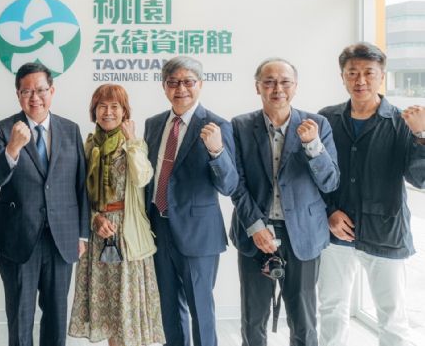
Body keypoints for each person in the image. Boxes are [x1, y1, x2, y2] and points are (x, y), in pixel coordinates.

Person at [317, 43, 425, 346]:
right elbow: (312, 175)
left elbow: (420, 178)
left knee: (392, 318)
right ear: (342, 76)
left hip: (385, 231)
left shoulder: (402, 122)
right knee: (331, 309)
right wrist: (329, 211)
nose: (360, 80)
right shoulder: (327, 119)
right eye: (352, 73)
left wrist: (421, 135)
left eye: (369, 73)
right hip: (336, 234)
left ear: (382, 76)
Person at [230, 57, 339, 346]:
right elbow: (236, 184)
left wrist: (313, 145)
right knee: (253, 319)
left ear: (296, 86)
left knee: (303, 320)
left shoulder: (318, 125)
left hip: (303, 233)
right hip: (255, 232)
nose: (277, 88)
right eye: (269, 82)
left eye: (285, 82)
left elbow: (330, 182)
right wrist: (256, 227)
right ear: (258, 87)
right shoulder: (240, 126)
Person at [0, 62, 89, 346]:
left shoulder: (70, 129)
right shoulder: (3, 129)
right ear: (18, 95)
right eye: (26, 91)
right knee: (20, 317)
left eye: (41, 90)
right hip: (19, 238)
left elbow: (80, 185)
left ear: (52, 91)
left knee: (56, 316)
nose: (35, 97)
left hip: (61, 239)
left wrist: (82, 234)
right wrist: (13, 148)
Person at [144, 56, 238, 346]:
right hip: (158, 228)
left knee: (201, 308)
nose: (180, 89)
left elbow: (229, 185)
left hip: (198, 233)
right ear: (164, 86)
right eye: (173, 82)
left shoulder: (217, 125)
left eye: (188, 82)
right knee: (169, 308)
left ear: (200, 84)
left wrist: (217, 152)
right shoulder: (154, 124)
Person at [69, 84, 166, 346]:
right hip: (99, 234)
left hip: (128, 234)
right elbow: (80, 193)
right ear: (94, 111)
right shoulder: (89, 146)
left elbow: (143, 177)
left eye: (115, 106)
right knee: (110, 315)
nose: (108, 112)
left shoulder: (134, 144)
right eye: (102, 106)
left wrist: (132, 141)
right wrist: (94, 219)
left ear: (125, 111)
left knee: (128, 314)